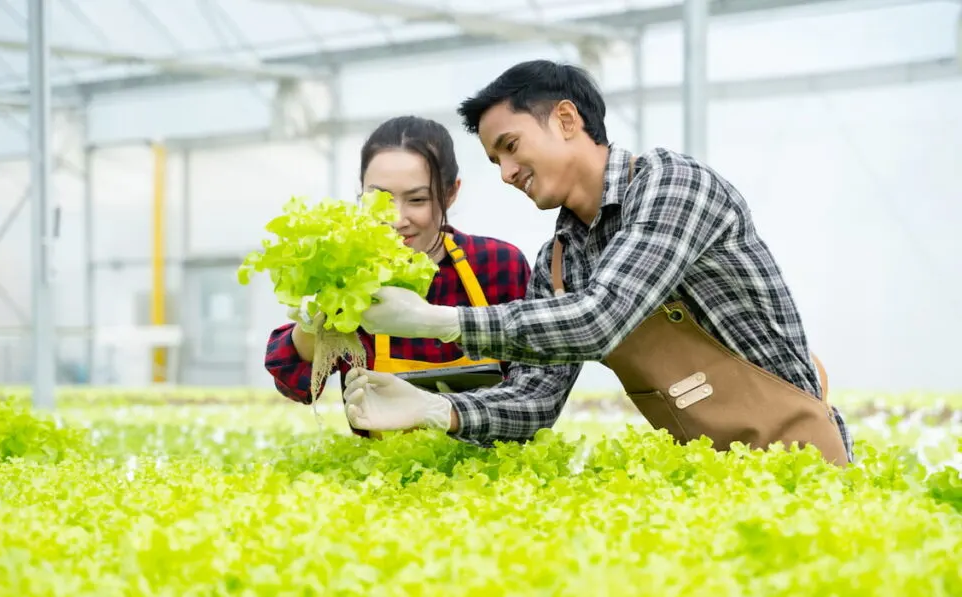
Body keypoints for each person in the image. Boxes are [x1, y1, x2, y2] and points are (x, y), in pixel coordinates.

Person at [342, 60, 854, 466]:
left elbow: (601, 318)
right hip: (710, 479)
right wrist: (437, 409)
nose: (506, 173)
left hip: (802, 462)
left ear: (566, 120)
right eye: (496, 161)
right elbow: (535, 400)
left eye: (511, 147)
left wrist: (437, 321)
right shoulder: (558, 264)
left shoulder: (673, 186)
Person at [264, 115, 576, 440]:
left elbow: (537, 386)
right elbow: (294, 384)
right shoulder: (352, 276)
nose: (398, 220)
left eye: (417, 200)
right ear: (360, 192)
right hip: (382, 478)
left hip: (488, 472)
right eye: (379, 199)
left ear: (451, 194)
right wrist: (317, 319)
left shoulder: (498, 265)